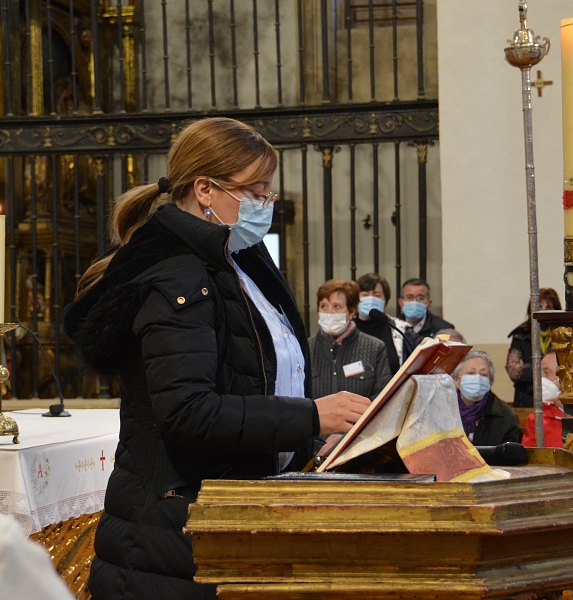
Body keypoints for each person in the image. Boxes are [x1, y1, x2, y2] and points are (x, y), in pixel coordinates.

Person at [62, 117, 371, 600]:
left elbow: (259, 378)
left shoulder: (239, 264)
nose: (265, 205)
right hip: (172, 539)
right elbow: (187, 410)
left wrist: (311, 438)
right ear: (205, 188)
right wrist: (311, 415)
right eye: (256, 192)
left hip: (228, 517)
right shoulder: (178, 277)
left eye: (268, 193)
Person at [310, 279, 391, 401]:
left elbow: (383, 395)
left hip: (362, 419)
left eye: (336, 307)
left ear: (351, 311)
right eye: (324, 306)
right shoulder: (306, 348)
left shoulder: (375, 347)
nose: (329, 313)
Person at [506, 288, 562, 408]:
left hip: (558, 398)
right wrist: (548, 372)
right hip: (526, 399)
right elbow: (514, 372)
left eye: (549, 307)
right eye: (539, 307)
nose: (543, 311)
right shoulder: (520, 334)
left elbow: (566, 369)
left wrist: (526, 368)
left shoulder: (564, 333)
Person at [452, 349, 520, 445]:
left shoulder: (506, 416)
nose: (477, 378)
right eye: (471, 373)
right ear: (456, 380)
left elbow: (509, 457)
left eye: (483, 374)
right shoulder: (443, 411)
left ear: (490, 381)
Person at [354, 272, 413, 373]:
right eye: (365, 295)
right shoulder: (345, 329)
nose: (371, 299)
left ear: (385, 301)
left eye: (377, 295)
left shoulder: (400, 329)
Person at [521, 351, 564, 448]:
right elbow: (529, 458)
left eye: (547, 373)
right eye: (539, 373)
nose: (540, 379)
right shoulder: (537, 419)